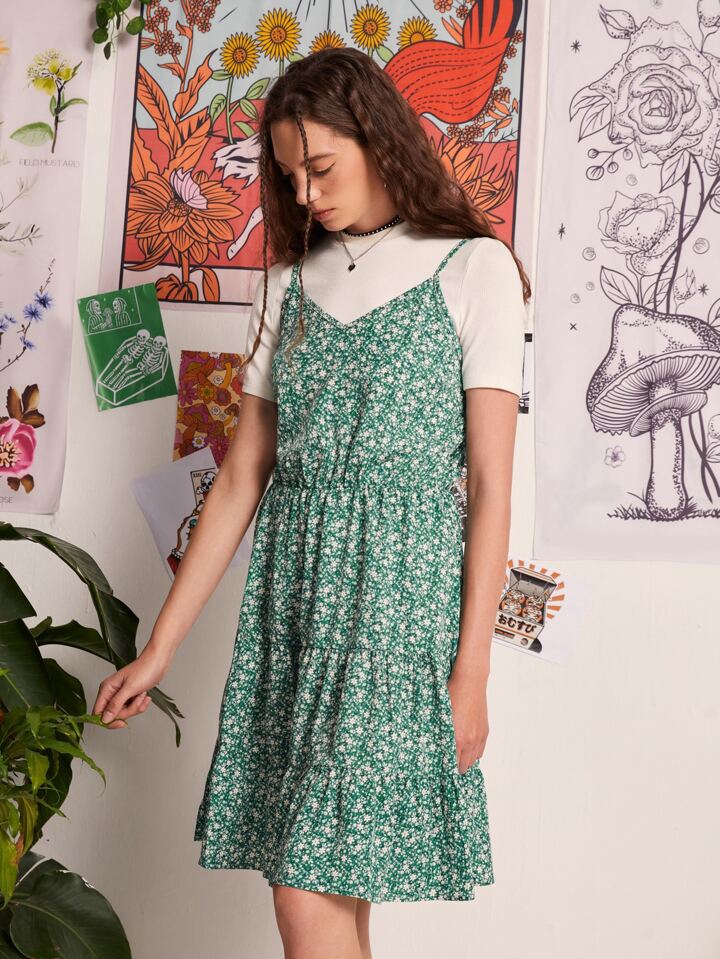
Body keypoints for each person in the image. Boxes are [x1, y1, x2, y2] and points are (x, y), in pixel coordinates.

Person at [92, 47, 531, 959]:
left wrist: (473, 671)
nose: (304, 195)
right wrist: (159, 649)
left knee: (305, 893)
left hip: (396, 616)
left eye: (321, 168)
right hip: (292, 613)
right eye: (289, 176)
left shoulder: (474, 268)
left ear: (379, 140)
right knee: (327, 894)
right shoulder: (288, 286)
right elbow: (242, 479)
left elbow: (491, 486)